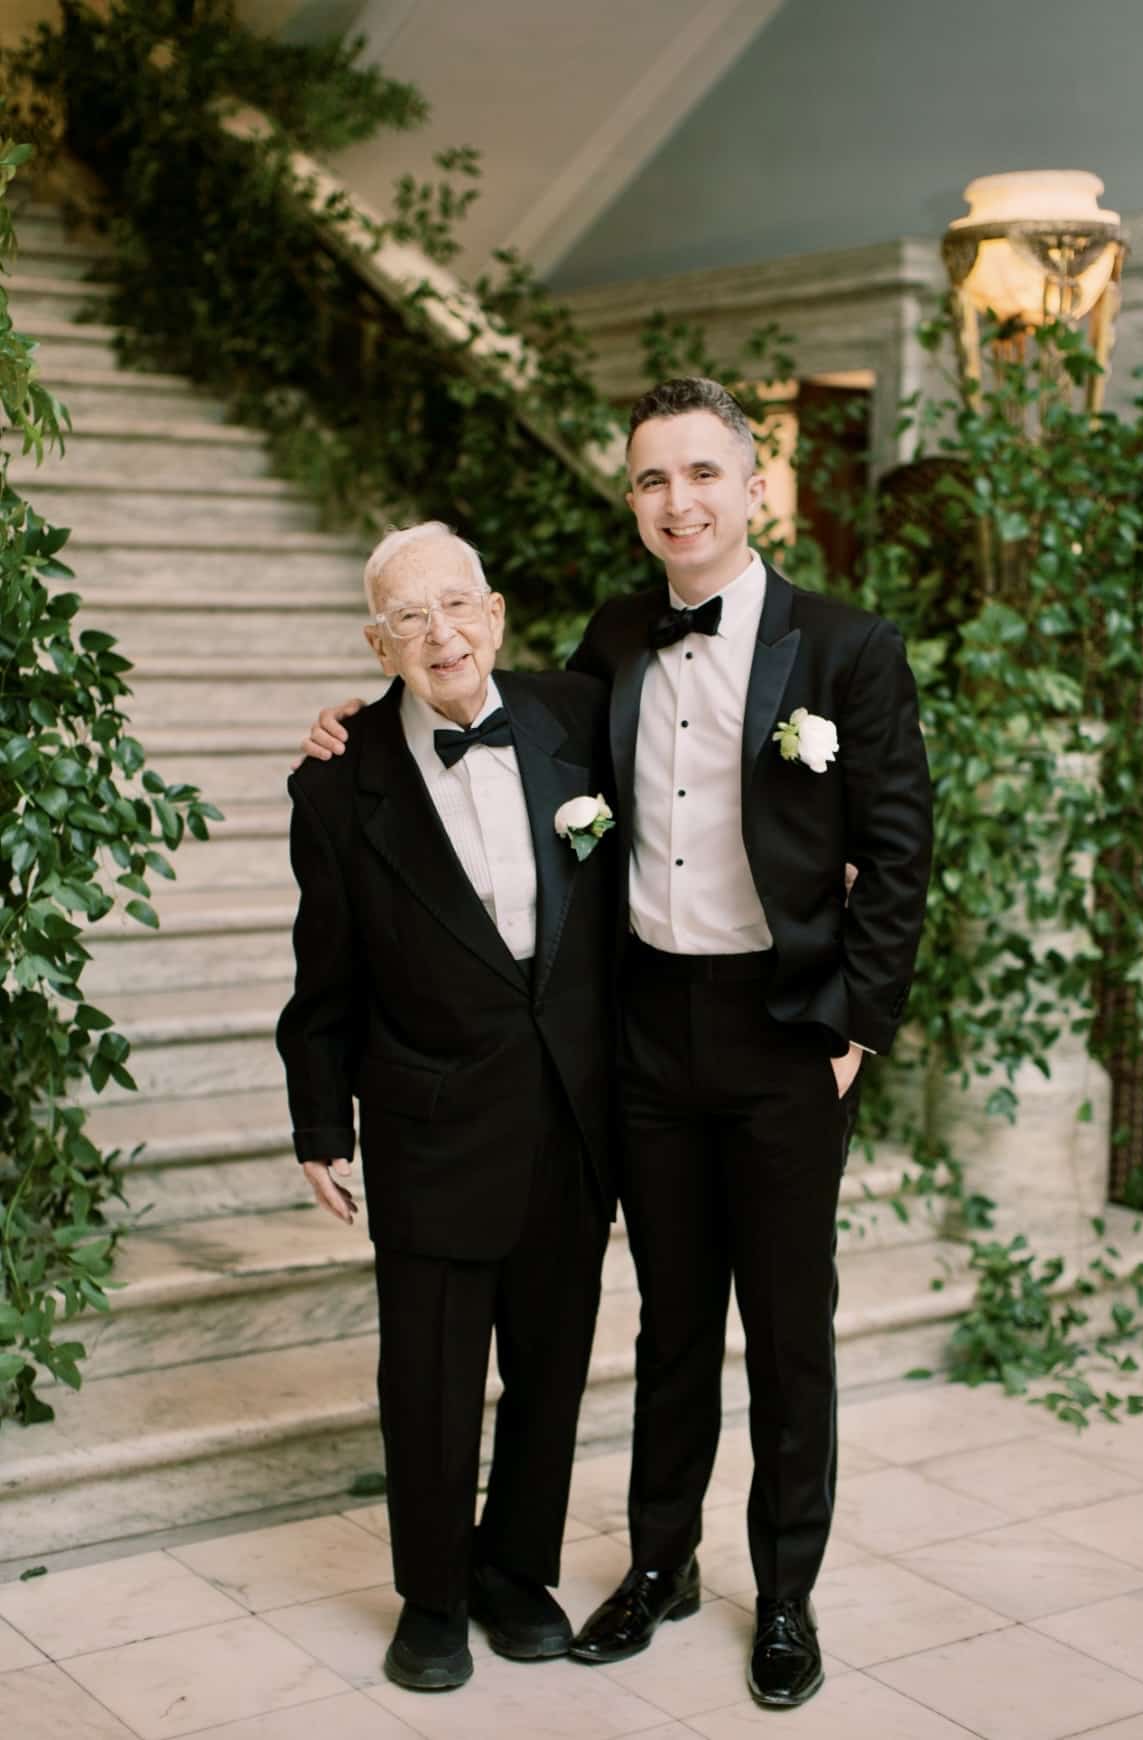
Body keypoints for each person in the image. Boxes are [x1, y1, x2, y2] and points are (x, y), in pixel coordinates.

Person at [299, 378, 933, 1709]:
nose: (676, 501)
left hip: (781, 1036)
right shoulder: (609, 647)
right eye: (650, 479)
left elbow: (899, 852)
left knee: (787, 1330)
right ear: (631, 498)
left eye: (701, 473)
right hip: (642, 1035)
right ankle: (657, 1563)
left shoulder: (845, 650)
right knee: (666, 1329)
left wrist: (851, 1033)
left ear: (752, 487)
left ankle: (784, 1595)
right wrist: (352, 727)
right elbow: (487, 726)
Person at [276, 521, 616, 1694]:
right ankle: (430, 1595)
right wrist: (321, 1123)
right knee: (426, 1379)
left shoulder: (578, 717)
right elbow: (324, 978)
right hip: (428, 1121)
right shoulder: (336, 780)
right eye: (410, 618)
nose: (442, 634)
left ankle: (516, 1572)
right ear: (380, 642)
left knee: (551, 1367)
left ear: (498, 613)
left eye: (458, 605)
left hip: (571, 1117)